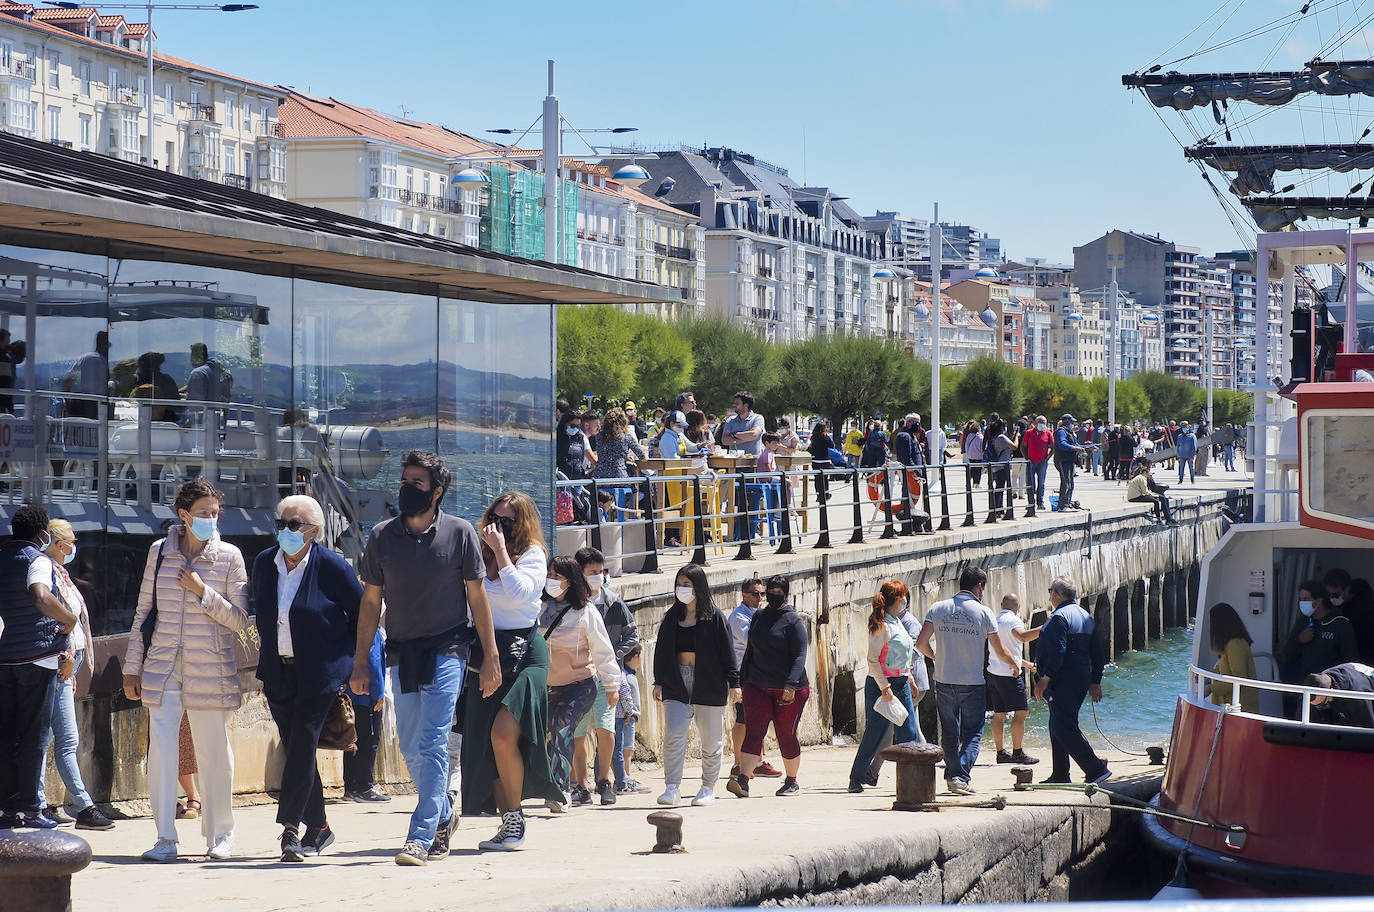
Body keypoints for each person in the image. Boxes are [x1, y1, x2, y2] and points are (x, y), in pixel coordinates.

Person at [349, 450, 499, 867]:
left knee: (433, 739)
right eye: (405, 480)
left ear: (436, 492)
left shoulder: (461, 532)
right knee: (412, 746)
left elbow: (477, 596)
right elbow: (370, 602)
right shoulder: (381, 535)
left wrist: (490, 656)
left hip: (449, 647)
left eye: (416, 482)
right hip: (401, 651)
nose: (406, 487)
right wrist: (361, 660)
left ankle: (421, 834)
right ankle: (446, 813)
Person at [124, 478, 250, 862]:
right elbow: (143, 611)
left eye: (214, 514)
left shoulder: (229, 556)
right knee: (162, 753)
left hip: (210, 666)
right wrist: (133, 666)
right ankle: (165, 838)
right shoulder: (160, 551)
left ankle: (220, 835)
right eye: (202, 514)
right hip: (163, 666)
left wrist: (202, 592)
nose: (210, 519)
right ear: (183, 515)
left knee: (214, 752)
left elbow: (241, 620)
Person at [252, 495, 360, 862]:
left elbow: (363, 615)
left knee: (301, 744)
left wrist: (354, 666)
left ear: (314, 531)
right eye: (281, 523)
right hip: (278, 671)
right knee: (296, 748)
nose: (286, 530)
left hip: (320, 674)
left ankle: (289, 829)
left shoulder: (333, 567)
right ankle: (321, 827)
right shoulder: (264, 563)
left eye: (294, 525)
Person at [463, 491, 560, 852]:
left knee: (505, 734)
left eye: (507, 522)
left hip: (525, 653)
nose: (498, 527)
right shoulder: (476, 554)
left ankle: (517, 817)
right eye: (495, 519)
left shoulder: (533, 555)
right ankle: (509, 820)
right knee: (489, 740)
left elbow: (520, 594)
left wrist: (501, 551)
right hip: (486, 652)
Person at [0, 505, 78, 830]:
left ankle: (6, 807)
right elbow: (40, 595)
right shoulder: (39, 560)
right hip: (37, 657)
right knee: (34, 734)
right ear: (42, 534)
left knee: (6, 734)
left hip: (4, 659)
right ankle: (31, 808)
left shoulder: (1, 558)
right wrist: (69, 619)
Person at [35, 520, 115, 830]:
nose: (73, 546)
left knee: (52, 738)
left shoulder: (62, 573)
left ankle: (39, 803)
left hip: (69, 664)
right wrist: (65, 656)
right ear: (58, 545)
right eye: (70, 542)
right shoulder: (45, 574)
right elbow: (50, 620)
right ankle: (81, 807)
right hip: (60, 664)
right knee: (59, 739)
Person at [916, 566, 1016, 795]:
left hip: (943, 679)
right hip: (972, 682)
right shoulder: (984, 613)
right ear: (979, 586)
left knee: (950, 732)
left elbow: (921, 643)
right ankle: (960, 776)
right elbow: (999, 651)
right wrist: (1014, 663)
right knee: (973, 732)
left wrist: (936, 656)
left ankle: (954, 776)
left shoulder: (937, 608)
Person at [653, 564, 740, 807]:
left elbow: (727, 652)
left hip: (709, 683)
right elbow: (661, 651)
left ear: (698, 587)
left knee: (711, 740)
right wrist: (658, 681)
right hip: (676, 682)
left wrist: (735, 683)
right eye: (679, 584)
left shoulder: (714, 617)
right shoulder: (671, 617)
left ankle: (708, 786)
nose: (682, 589)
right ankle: (672, 787)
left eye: (687, 585)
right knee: (673, 736)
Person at [541, 555, 620, 813]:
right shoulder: (539, 608)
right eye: (549, 575)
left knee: (563, 728)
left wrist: (612, 686)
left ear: (571, 581)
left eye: (557, 576)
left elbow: (603, 650)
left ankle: (560, 790)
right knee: (547, 735)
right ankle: (543, 784)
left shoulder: (586, 612)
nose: (551, 580)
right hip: (548, 685)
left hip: (580, 684)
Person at [571, 546, 639, 808]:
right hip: (578, 676)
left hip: (606, 677)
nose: (598, 576)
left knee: (606, 727)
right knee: (577, 732)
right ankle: (580, 784)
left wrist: (610, 655)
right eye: (592, 572)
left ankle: (604, 781)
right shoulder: (570, 603)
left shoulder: (613, 601)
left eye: (601, 572)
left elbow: (632, 634)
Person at [729, 575, 808, 799]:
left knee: (786, 734)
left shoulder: (793, 621)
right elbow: (749, 652)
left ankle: (791, 781)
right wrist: (740, 682)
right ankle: (743, 780)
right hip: (758, 685)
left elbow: (800, 655)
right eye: (768, 590)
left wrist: (791, 685)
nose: (770, 594)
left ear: (785, 593)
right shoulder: (759, 617)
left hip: (788, 690)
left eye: (775, 590)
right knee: (754, 731)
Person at [1033, 577, 1109, 785]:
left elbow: (1058, 651)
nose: (1050, 595)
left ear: (1057, 593)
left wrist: (1045, 678)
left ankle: (1094, 768)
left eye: (1050, 591)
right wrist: (1095, 681)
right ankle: (1060, 773)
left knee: (1064, 726)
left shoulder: (1059, 617)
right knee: (1057, 723)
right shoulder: (1086, 616)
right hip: (1080, 677)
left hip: (1062, 679)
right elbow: (1097, 653)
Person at [848, 580, 921, 793]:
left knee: (909, 731)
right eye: (903, 597)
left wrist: (910, 679)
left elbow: (902, 657)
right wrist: (885, 687)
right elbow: (872, 660)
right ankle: (857, 776)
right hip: (882, 685)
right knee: (875, 733)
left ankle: (912, 778)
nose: (905, 601)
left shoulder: (896, 622)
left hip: (900, 682)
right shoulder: (881, 627)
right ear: (897, 600)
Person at [728, 579, 782, 779]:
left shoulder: (758, 614)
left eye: (762, 594)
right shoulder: (739, 617)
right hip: (744, 674)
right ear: (744, 594)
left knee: (758, 718)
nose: (760, 598)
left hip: (758, 673)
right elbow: (753, 640)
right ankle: (737, 763)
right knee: (742, 719)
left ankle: (757, 760)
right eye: (755, 594)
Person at [987, 593, 1041, 765]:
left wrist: (1025, 664)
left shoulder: (995, 621)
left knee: (999, 714)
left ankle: (1001, 753)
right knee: (1021, 712)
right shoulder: (1014, 620)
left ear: (1002, 604)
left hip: (994, 672)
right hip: (1010, 675)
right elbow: (1022, 637)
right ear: (1018, 607)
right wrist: (1045, 628)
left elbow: (1004, 650)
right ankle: (1017, 752)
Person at [343, 627, 389, 803]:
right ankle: (364, 787)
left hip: (350, 695)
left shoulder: (350, 629)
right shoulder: (371, 632)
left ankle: (351, 787)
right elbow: (374, 663)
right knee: (370, 740)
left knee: (351, 741)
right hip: (366, 696)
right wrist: (378, 694)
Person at [1284, 581, 1358, 681]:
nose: (1302, 603)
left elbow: (1350, 660)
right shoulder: (1303, 621)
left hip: (1331, 684)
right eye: (1301, 599)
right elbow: (1288, 653)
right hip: (1306, 682)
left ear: (1319, 600)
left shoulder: (1340, 624)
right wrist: (1299, 640)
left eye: (1306, 599)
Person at [1204, 602, 1257, 714]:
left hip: (1240, 711)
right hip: (1231, 708)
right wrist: (1208, 677)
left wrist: (1211, 688)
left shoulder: (1235, 645)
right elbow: (1224, 669)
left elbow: (1239, 678)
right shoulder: (1231, 645)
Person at [589, 408, 646, 508]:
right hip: (619, 477)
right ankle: (629, 513)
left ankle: (610, 512)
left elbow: (606, 452)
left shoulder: (598, 437)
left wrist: (623, 456)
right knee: (634, 487)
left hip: (599, 477)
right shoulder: (626, 437)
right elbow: (643, 457)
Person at [613, 644, 648, 795]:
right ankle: (626, 777)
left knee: (626, 748)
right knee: (626, 749)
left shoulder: (629, 673)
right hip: (626, 716)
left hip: (628, 715)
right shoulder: (625, 675)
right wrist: (629, 712)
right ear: (635, 657)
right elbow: (626, 695)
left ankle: (626, 776)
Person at [1324, 568, 1374, 663]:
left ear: (1347, 589)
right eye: (1329, 595)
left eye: (1335, 595)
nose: (1332, 599)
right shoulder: (1339, 609)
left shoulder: (1366, 611)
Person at [1305, 663, 1374, 728]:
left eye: (1321, 704)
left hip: (1365, 686)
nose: (1318, 707)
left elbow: (1368, 728)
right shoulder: (1319, 680)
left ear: (1331, 691)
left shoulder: (1356, 696)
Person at [62, 331, 109, 420]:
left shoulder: (83, 359)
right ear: (104, 345)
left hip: (79, 402)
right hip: (97, 404)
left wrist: (68, 403)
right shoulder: (103, 362)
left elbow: (68, 380)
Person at [1053, 414, 1087, 511]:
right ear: (1066, 421)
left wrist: (1088, 447)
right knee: (1066, 483)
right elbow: (1062, 444)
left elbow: (1076, 444)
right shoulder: (1061, 432)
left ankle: (1067, 504)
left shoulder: (1070, 432)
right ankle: (1062, 506)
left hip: (1070, 460)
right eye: (1071, 421)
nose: (1072, 424)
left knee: (1070, 484)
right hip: (1063, 460)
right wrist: (1075, 448)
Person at [983, 418, 1014, 523]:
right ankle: (997, 509)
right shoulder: (1001, 437)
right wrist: (1017, 437)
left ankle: (999, 509)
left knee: (999, 488)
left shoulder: (995, 438)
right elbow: (1014, 447)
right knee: (1000, 488)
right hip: (1002, 466)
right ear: (1001, 428)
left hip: (996, 466)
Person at [720, 391, 766, 456]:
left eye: (737, 403)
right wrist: (747, 438)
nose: (734, 405)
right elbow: (725, 440)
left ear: (746, 406)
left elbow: (753, 434)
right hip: (734, 463)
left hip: (753, 463)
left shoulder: (758, 418)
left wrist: (734, 434)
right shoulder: (730, 420)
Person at [1023, 415, 1052, 511]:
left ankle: (1040, 502)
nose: (1042, 424)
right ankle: (1031, 503)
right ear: (1035, 423)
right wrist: (1027, 458)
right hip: (1031, 461)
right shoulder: (1029, 433)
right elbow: (1023, 446)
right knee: (1030, 483)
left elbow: (1053, 447)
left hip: (1042, 462)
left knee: (1041, 483)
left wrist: (1047, 458)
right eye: (1040, 422)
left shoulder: (1048, 433)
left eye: (1044, 423)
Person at [556, 410, 590, 478]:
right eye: (572, 425)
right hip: (560, 481)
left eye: (578, 426)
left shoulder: (580, 438)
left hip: (577, 480)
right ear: (565, 423)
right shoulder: (556, 437)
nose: (575, 428)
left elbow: (581, 459)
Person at [962, 421, 984, 488]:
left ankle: (968, 482)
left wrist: (968, 453)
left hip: (971, 455)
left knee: (971, 470)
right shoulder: (980, 437)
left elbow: (966, 445)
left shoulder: (969, 436)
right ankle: (976, 484)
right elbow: (982, 447)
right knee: (978, 471)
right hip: (979, 456)